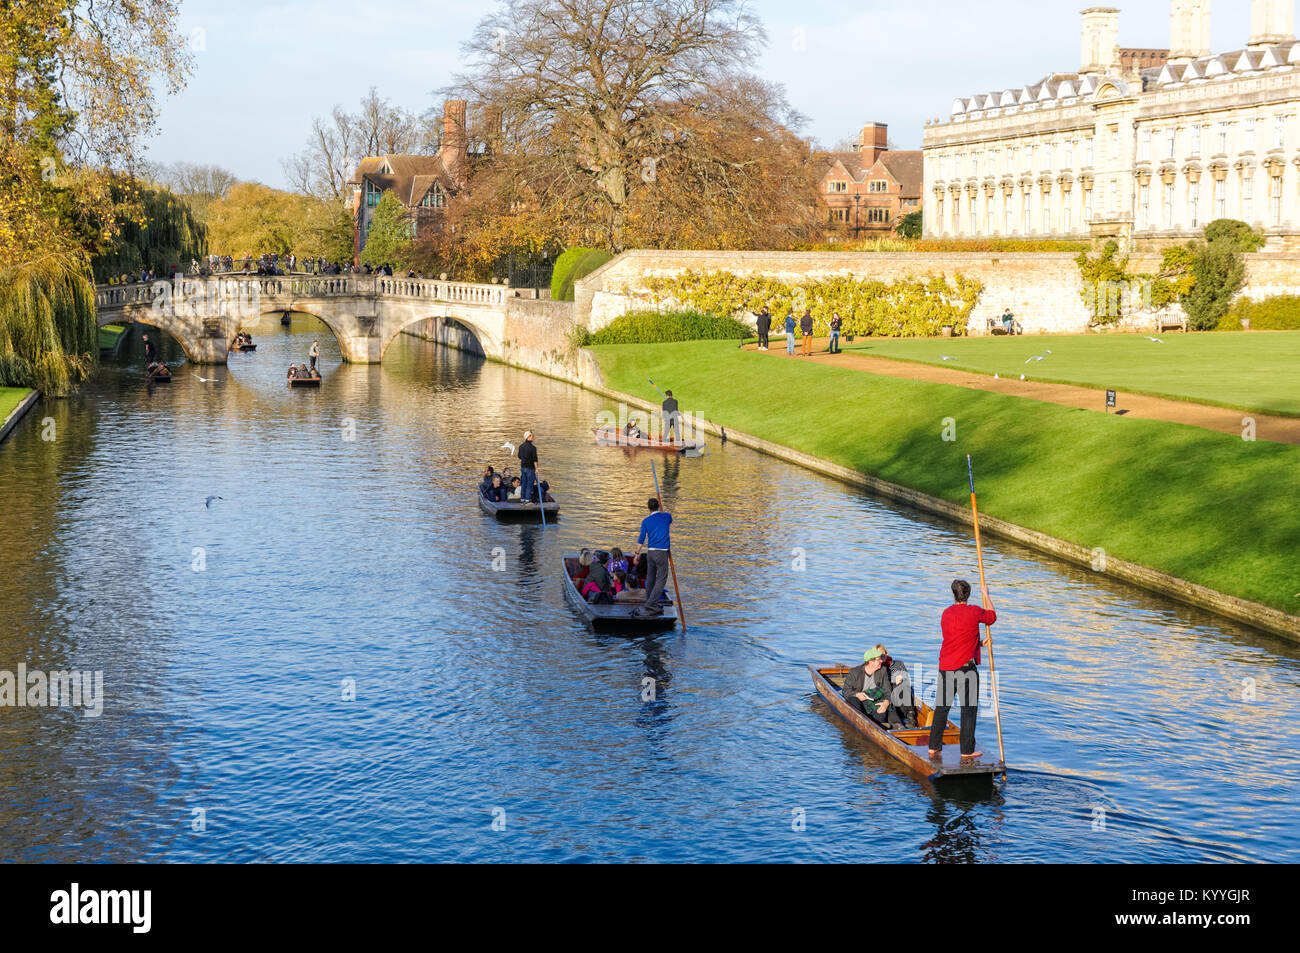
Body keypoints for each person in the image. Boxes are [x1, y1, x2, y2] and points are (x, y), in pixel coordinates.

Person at [929, 579, 997, 762]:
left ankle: (933, 747)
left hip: (946, 667)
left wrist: (979, 644)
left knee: (942, 708)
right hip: (966, 670)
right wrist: (986, 594)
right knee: (968, 710)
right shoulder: (974, 611)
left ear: (954, 595)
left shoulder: (946, 613)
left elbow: (958, 639)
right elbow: (991, 617)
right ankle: (966, 750)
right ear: (968, 595)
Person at [632, 498, 672, 617]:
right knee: (661, 579)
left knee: (650, 577)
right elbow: (669, 521)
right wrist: (662, 513)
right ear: (659, 506)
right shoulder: (667, 516)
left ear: (648, 508)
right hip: (662, 552)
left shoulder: (646, 521)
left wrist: (636, 553)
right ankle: (650, 603)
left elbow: (641, 539)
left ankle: (650, 602)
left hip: (650, 553)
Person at [840, 649, 900, 728]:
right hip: (859, 701)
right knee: (852, 700)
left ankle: (878, 727)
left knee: (882, 707)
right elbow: (845, 691)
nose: (881, 661)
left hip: (874, 700)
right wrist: (857, 694)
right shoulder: (854, 672)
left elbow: (887, 690)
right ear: (871, 662)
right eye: (879, 659)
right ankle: (861, 721)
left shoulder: (882, 670)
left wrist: (886, 703)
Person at [872, 643, 918, 729]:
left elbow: (906, 676)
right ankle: (897, 724)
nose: (881, 657)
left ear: (886, 653)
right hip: (888, 698)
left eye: (882, 654)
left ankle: (911, 717)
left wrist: (901, 678)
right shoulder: (877, 667)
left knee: (904, 685)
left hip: (901, 699)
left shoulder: (898, 663)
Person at [517, 430, 540, 503]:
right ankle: (527, 499)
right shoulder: (533, 448)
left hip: (523, 467)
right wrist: (536, 469)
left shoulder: (521, 446)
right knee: (529, 484)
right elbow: (535, 459)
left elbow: (519, 456)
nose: (533, 437)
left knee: (523, 483)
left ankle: (522, 498)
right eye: (532, 436)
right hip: (530, 468)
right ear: (528, 437)